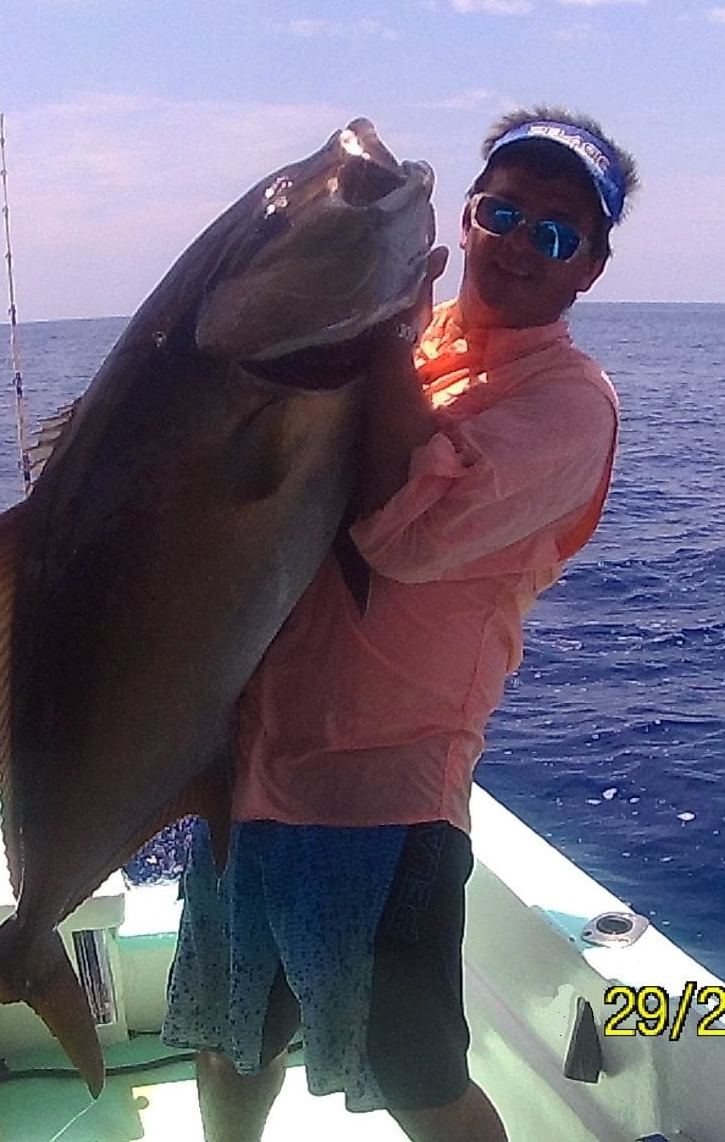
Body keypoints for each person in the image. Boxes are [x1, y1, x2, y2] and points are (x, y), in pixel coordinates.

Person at [161, 107, 637, 1142]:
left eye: (556, 232)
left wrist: (373, 324)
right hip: (248, 770)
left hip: (385, 797)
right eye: (504, 210)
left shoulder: (570, 403)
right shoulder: (407, 344)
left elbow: (403, 539)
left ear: (590, 270)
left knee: (415, 1076)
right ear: (465, 220)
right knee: (234, 1035)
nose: (519, 242)